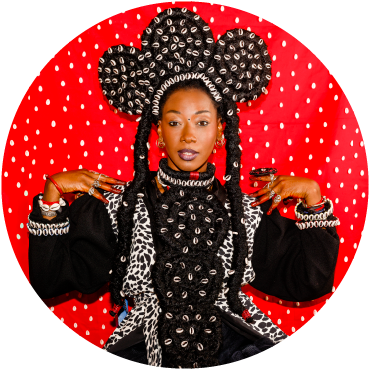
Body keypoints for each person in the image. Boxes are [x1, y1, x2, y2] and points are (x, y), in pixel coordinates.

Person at [27, 7, 340, 368]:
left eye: (202, 122)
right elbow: (51, 280)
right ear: (158, 132)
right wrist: (53, 195)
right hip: (141, 349)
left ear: (221, 131)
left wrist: (313, 199)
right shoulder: (122, 208)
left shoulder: (245, 215)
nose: (188, 135)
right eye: (175, 122)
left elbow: (310, 279)